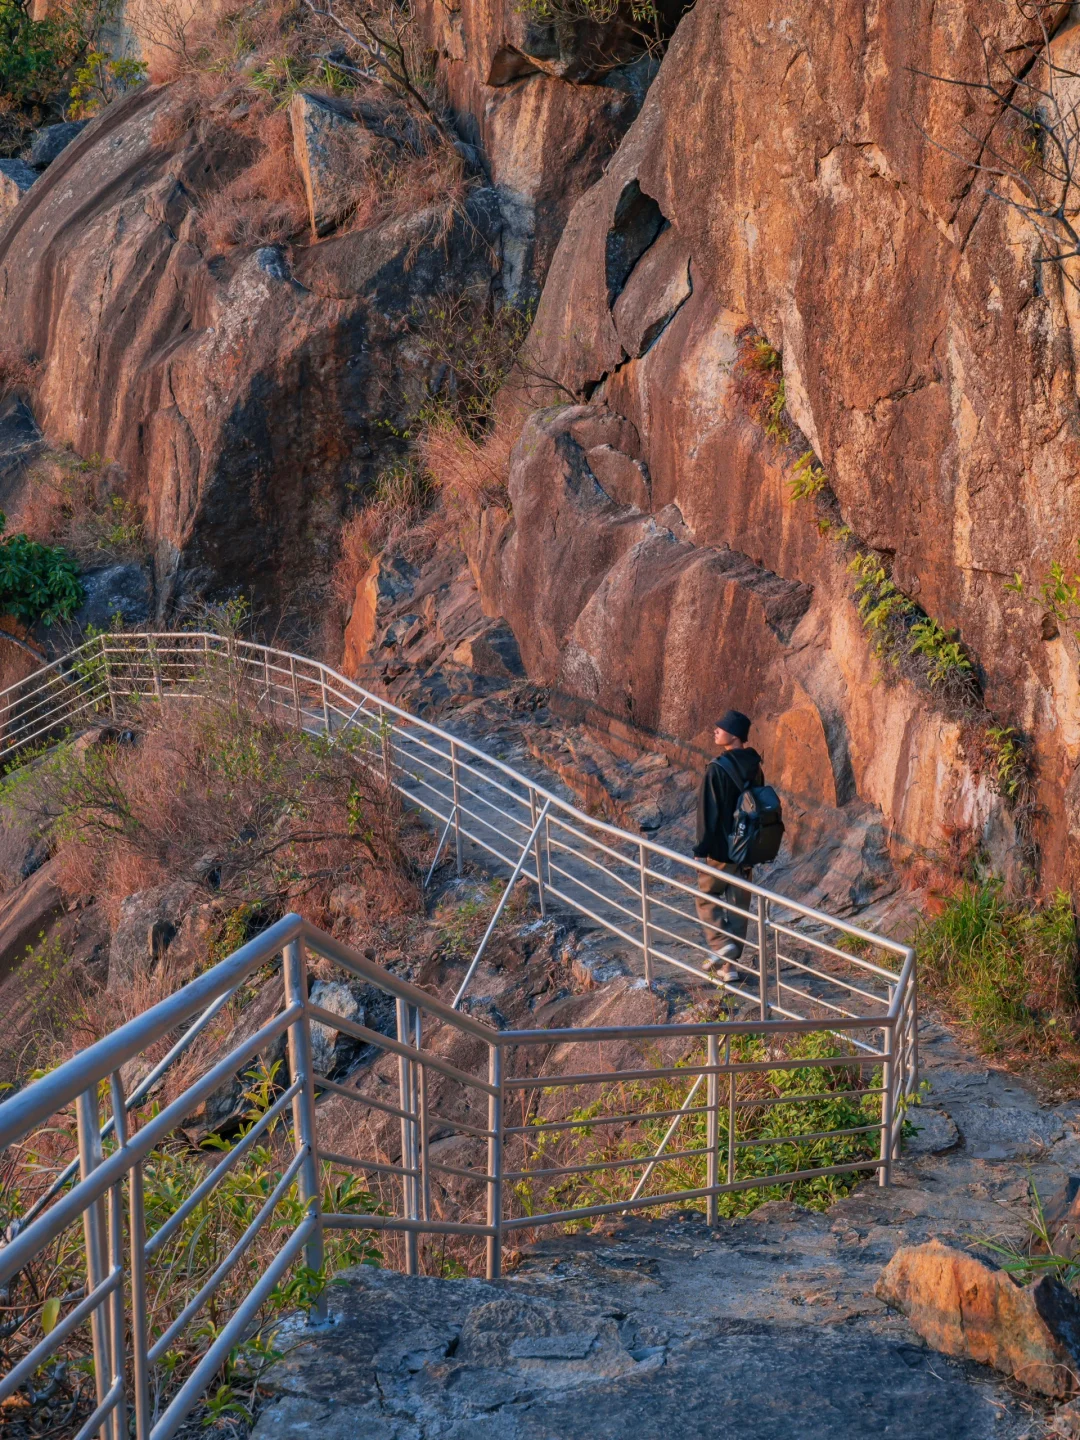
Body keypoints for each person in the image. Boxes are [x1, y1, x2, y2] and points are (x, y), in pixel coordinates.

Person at [693, 708, 763, 984]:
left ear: (734, 736)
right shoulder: (755, 767)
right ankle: (729, 968)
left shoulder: (717, 768)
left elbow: (707, 813)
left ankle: (720, 944)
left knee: (705, 896)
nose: (715, 731)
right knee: (738, 906)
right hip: (746, 849)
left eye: (720, 728)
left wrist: (700, 850)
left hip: (722, 849)